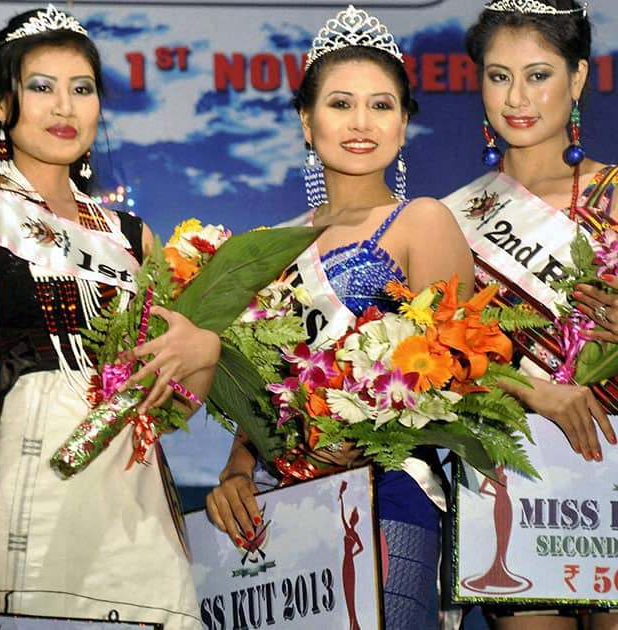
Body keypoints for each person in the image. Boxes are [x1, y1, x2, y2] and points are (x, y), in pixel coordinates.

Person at [0, 6, 218, 630]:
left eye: (81, 90)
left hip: (133, 499)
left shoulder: (134, 237)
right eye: (41, 87)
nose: (64, 107)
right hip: (28, 479)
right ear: (2, 105)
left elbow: (173, 408)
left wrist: (203, 351)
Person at [439, 1, 618, 628]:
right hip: (518, 467)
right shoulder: (453, 219)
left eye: (538, 74)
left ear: (579, 78)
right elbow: (448, 368)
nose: (517, 97)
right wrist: (539, 391)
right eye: (497, 75)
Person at [204, 5, 476, 627]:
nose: (361, 123)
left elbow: (459, 373)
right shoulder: (272, 243)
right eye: (340, 104)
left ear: (405, 124)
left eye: (382, 106)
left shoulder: (422, 221)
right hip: (285, 498)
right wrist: (238, 467)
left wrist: (360, 437)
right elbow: (264, 386)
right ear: (306, 120)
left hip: (391, 488)